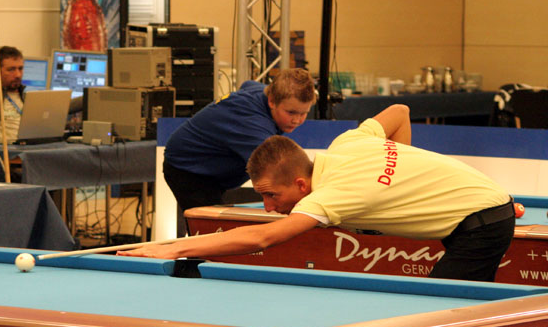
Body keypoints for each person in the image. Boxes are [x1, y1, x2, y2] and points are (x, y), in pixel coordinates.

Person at [123, 104, 515, 282]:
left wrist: (174, 248)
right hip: (484, 204)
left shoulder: (331, 194)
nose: (268, 207)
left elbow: (262, 238)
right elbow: (399, 111)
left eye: (271, 196)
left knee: (440, 311)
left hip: (482, 223)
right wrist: (398, 178)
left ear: (300, 184)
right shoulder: (347, 143)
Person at [163, 68, 316, 234]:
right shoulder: (253, 126)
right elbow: (282, 170)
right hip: (187, 169)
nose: (297, 120)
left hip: (209, 169)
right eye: (291, 112)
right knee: (211, 234)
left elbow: (247, 84)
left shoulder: (262, 92)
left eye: (304, 113)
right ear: (272, 101)